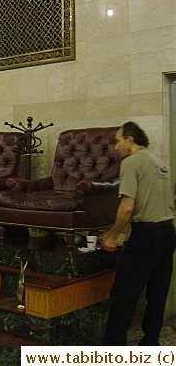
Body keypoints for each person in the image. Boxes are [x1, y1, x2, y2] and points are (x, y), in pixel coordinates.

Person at [99, 121, 175, 346]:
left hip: (146, 235)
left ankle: (113, 348)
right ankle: (150, 342)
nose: (115, 147)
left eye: (117, 140)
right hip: (168, 232)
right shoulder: (159, 162)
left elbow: (128, 206)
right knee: (157, 293)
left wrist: (113, 236)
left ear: (130, 139)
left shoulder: (132, 162)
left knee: (123, 294)